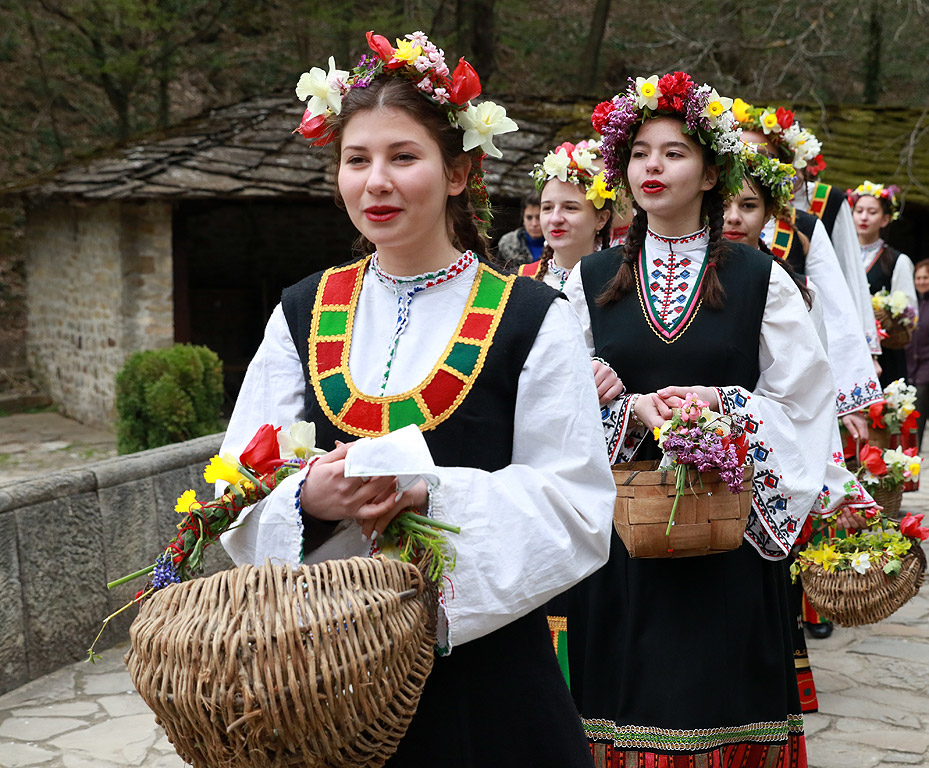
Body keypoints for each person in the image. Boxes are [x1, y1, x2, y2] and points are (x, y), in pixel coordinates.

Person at [219, 30, 616, 767]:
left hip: (491, 691)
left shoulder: (530, 318)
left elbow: (577, 505)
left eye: (403, 157)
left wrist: (432, 497)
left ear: (459, 170)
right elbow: (237, 479)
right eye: (356, 159)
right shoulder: (301, 312)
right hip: (327, 683)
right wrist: (308, 500)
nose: (376, 181)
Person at [560, 72, 837, 767]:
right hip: (621, 546)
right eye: (640, 153)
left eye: (674, 152)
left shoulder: (757, 276)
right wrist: (623, 409)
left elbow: (803, 400)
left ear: (711, 171)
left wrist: (723, 407)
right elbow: (545, 414)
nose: (653, 166)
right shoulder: (588, 282)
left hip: (728, 543)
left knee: (720, 705)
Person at [732, 100, 883, 371]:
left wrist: (859, 363)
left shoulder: (805, 227)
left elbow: (837, 300)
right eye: (739, 155)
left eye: (760, 157)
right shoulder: (696, 222)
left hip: (786, 366)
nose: (748, 165)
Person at [848, 181, 917, 387]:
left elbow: (910, 312)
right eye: (859, 210)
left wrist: (881, 311)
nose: (864, 217)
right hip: (848, 348)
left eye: (872, 212)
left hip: (885, 355)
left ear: (885, 219)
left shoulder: (897, 261)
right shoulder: (840, 257)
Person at [519, 140, 613, 289]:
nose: (555, 219)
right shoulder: (522, 280)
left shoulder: (621, 281)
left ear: (601, 219)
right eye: (547, 208)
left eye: (570, 208)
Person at [907, 259, 929, 449]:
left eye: (925, 278)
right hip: (910, 366)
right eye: (918, 278)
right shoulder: (910, 303)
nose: (921, 281)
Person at [496, 190, 545, 264]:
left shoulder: (558, 246)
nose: (534, 224)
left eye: (539, 218)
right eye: (529, 217)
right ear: (523, 218)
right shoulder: (508, 244)